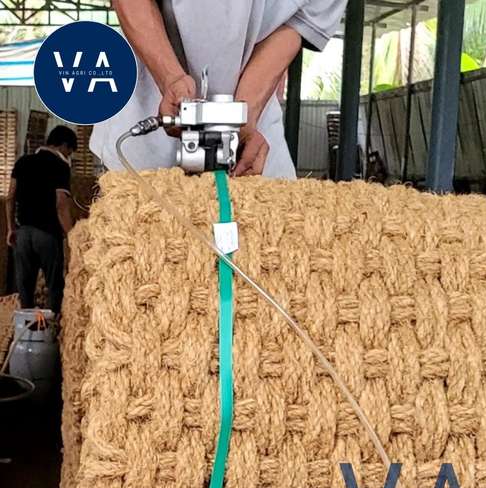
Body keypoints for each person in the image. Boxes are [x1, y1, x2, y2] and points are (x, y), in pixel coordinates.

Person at [92, 0, 347, 178]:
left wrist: (243, 116)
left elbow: (295, 25)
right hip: (145, 129)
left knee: (263, 231)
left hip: (252, 141)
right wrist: (171, 78)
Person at [5, 125, 77, 315]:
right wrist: (72, 235)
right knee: (54, 285)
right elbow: (61, 204)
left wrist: (11, 228)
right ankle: (52, 327)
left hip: (23, 233)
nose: (69, 155)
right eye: (70, 151)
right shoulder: (60, 166)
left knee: (24, 286)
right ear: (64, 145)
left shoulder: (23, 162)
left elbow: (10, 197)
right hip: (47, 234)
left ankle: (26, 326)